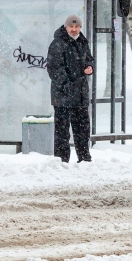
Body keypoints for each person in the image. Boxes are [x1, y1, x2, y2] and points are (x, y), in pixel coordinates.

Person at [46, 13, 95, 163]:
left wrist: (90, 67)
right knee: (62, 132)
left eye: (76, 26)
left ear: (80, 27)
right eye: (71, 26)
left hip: (80, 96)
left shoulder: (83, 42)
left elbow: (89, 60)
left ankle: (84, 158)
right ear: (66, 27)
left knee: (82, 130)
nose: (74, 29)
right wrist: (67, 86)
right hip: (63, 97)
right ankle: (61, 160)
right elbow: (54, 69)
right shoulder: (58, 44)